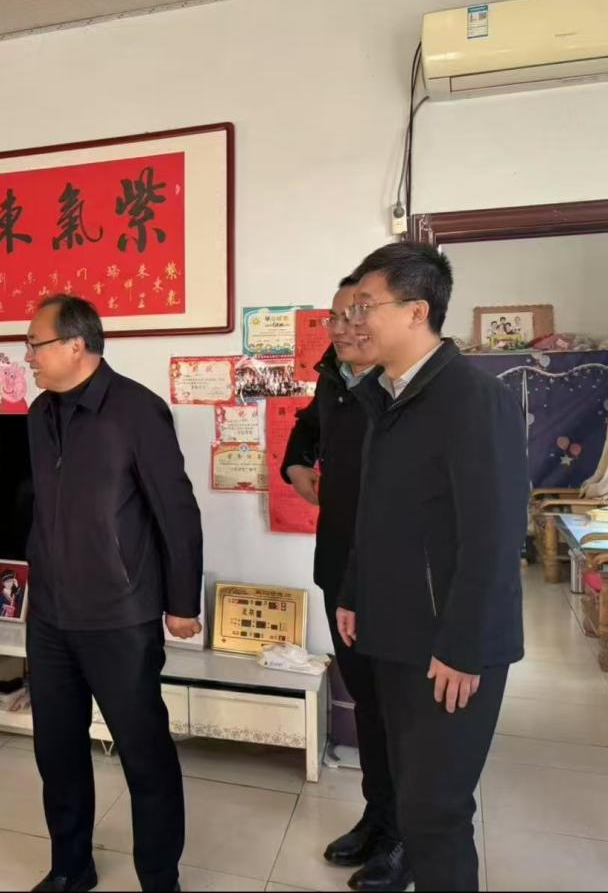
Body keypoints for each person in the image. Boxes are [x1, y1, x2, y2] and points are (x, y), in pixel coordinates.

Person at [335, 243, 528, 892]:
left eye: (366, 306)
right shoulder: (384, 397)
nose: (353, 321)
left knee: (436, 812)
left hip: (450, 644)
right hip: (394, 632)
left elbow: (495, 535)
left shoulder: (473, 398)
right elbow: (374, 514)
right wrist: (354, 591)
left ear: (417, 311)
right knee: (411, 797)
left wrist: (465, 645)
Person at [24, 295, 203, 893]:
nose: (29, 357)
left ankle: (159, 877)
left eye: (35, 344)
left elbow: (176, 511)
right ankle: (71, 867)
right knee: (56, 750)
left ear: (75, 345)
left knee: (143, 752)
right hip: (51, 614)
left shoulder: (136, 410)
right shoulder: (39, 414)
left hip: (120, 614)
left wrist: (182, 602)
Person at [283, 277, 408, 891]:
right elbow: (309, 426)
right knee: (367, 701)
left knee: (401, 710)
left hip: (395, 574)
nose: (342, 328)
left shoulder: (408, 383)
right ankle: (378, 817)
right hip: (341, 566)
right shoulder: (335, 375)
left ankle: (407, 836)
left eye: (357, 313)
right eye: (335, 316)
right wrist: (296, 463)